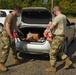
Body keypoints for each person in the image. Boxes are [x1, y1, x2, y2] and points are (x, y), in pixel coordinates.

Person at [45, 6, 72, 72]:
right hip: (62, 37)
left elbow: (51, 27)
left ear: (54, 11)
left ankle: (53, 67)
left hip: (58, 37)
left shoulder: (58, 17)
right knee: (59, 51)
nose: (54, 14)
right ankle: (67, 60)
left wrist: (50, 24)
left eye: (54, 13)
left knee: (52, 52)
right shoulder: (64, 16)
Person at [0, 5, 24, 71]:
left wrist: (19, 31)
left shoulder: (15, 16)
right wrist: (11, 37)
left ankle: (16, 59)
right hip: (6, 34)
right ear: (17, 10)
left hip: (10, 33)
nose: (20, 13)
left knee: (13, 47)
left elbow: (14, 25)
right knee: (6, 49)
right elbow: (7, 27)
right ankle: (1, 63)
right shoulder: (10, 16)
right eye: (20, 11)